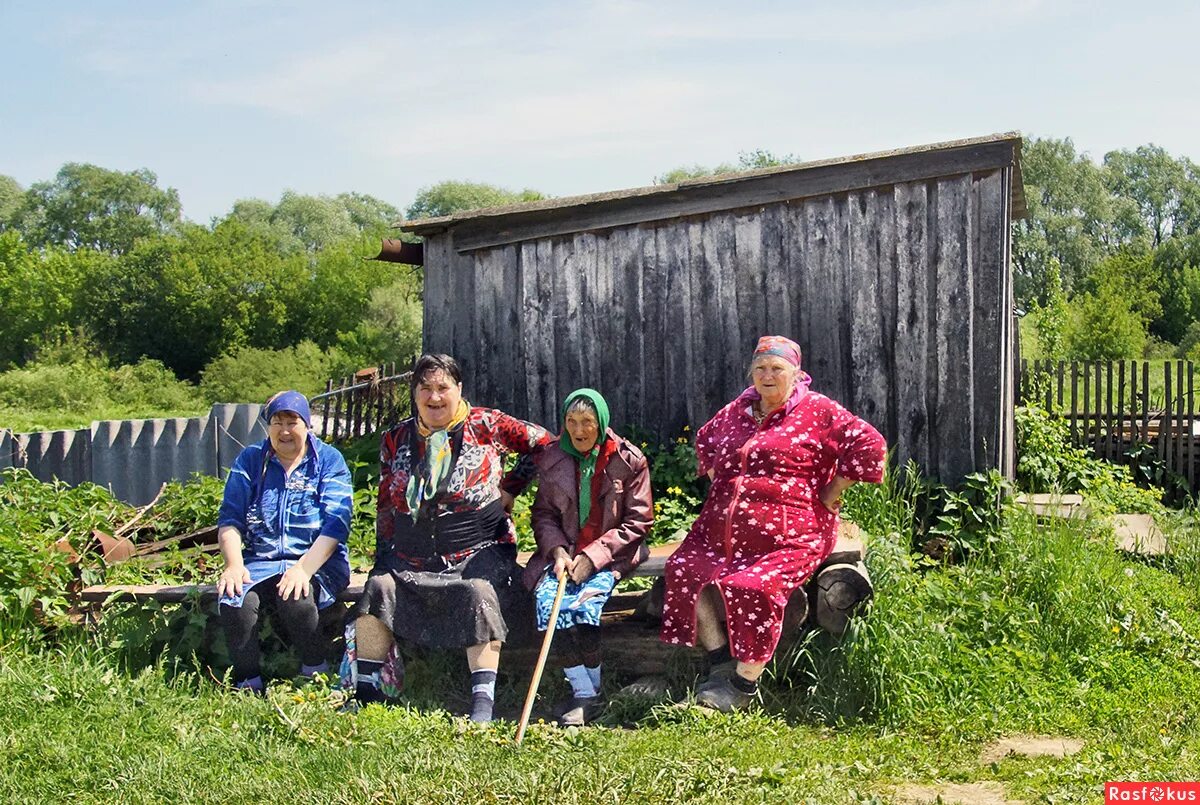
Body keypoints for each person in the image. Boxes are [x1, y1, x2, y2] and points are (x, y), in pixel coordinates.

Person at [659, 336, 886, 712]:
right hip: (719, 533)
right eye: (761, 368)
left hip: (792, 534)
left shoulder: (818, 411)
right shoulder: (738, 410)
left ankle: (743, 685)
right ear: (752, 371)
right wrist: (724, 481)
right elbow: (704, 439)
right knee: (684, 569)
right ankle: (720, 664)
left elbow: (871, 444)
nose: (767, 375)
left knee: (755, 586)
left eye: (777, 368)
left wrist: (831, 491)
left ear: (796, 374)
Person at [343, 353, 553, 722]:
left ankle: (482, 705)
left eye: (443, 387)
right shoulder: (395, 438)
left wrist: (511, 487)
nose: (435, 397)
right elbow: (385, 505)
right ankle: (366, 692)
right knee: (379, 588)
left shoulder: (486, 425)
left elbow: (545, 444)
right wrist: (383, 555)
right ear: (414, 393)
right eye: (426, 388)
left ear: (459, 389)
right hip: (414, 553)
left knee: (478, 592)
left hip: (478, 548)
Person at [523, 388, 654, 726]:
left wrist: (593, 557)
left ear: (601, 423)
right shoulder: (553, 459)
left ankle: (587, 695)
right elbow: (543, 514)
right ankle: (585, 691)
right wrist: (557, 550)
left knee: (583, 607)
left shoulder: (629, 460)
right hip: (563, 555)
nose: (579, 431)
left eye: (587, 423)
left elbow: (638, 521)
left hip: (613, 554)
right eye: (571, 422)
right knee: (549, 602)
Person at [216, 390, 353, 694]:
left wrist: (303, 569)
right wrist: (234, 564)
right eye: (277, 422)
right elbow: (230, 519)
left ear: (307, 425)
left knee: (295, 595)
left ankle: (315, 671)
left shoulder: (328, 461)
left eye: (293, 421)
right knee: (234, 598)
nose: (285, 430)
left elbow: (337, 523)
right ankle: (247, 684)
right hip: (259, 561)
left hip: (319, 561)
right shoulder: (251, 460)